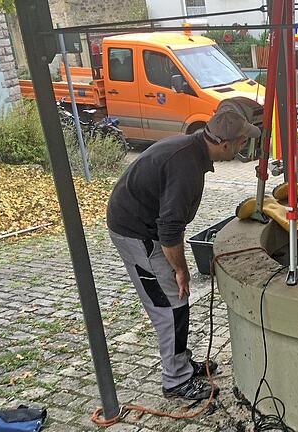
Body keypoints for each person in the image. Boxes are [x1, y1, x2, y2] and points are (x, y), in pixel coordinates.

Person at [107, 110, 260, 400]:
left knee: (176, 302)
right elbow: (169, 230)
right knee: (170, 306)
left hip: (146, 226)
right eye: (241, 143)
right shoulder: (186, 167)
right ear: (225, 144)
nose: (244, 148)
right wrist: (181, 269)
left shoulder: (192, 150)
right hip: (136, 232)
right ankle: (175, 380)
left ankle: (181, 364)